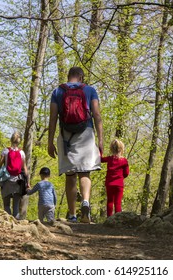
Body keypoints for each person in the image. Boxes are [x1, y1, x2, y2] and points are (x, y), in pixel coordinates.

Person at [48, 66, 103, 223]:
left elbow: (53, 118)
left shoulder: (58, 91)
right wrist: (100, 140)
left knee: (70, 175)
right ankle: (85, 202)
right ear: (81, 77)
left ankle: (72, 215)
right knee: (85, 172)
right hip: (86, 133)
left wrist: (50, 141)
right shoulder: (90, 90)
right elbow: (97, 115)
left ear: (69, 76)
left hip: (66, 136)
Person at [0, 131, 28, 219]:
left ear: (11, 140)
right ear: (19, 141)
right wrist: (27, 183)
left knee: (6, 206)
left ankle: (8, 224)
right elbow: (25, 169)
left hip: (6, 180)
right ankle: (16, 225)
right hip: (18, 181)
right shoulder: (22, 153)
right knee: (16, 209)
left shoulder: (6, 151)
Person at [101, 139, 129, 217]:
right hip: (119, 185)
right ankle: (117, 219)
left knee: (110, 201)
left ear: (111, 149)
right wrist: (121, 177)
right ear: (121, 149)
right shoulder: (124, 161)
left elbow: (100, 159)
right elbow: (126, 173)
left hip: (109, 184)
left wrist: (100, 150)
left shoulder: (109, 159)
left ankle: (109, 218)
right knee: (118, 202)